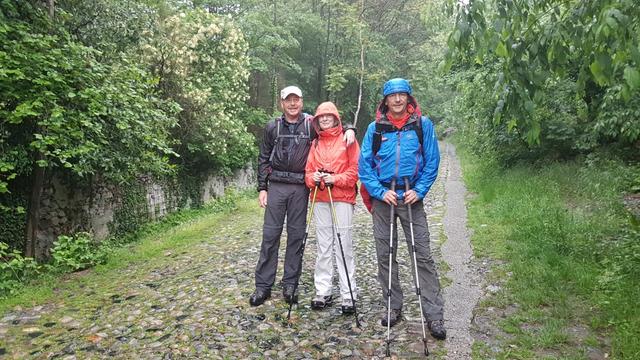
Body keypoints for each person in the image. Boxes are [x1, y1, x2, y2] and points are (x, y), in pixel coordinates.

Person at [250, 86, 355, 306]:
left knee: (296, 237)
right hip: (277, 185)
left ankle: (290, 284)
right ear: (282, 103)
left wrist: (349, 128)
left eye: (296, 99)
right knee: (270, 236)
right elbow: (263, 158)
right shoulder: (272, 127)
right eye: (288, 100)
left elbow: (330, 128)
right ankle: (263, 286)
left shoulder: (310, 125)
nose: (292, 104)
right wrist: (262, 188)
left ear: (301, 101)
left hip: (300, 186)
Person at [358, 78, 446, 340]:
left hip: (411, 198)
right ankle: (392, 305)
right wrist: (378, 191)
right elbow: (364, 165)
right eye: (392, 95)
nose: (397, 99)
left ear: (409, 98)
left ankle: (434, 314)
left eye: (402, 95)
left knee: (423, 255)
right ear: (385, 100)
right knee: (385, 254)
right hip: (384, 197)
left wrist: (419, 191)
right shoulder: (375, 128)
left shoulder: (422, 125)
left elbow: (432, 161)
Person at [304, 102, 360, 314]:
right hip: (320, 198)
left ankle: (349, 294)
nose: (325, 119)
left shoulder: (348, 139)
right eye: (321, 117)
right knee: (323, 245)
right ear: (317, 120)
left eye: (328, 116)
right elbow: (307, 173)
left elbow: (355, 171)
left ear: (336, 118)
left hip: (342, 198)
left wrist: (334, 179)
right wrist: (315, 178)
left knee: (343, 244)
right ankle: (323, 290)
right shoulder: (315, 143)